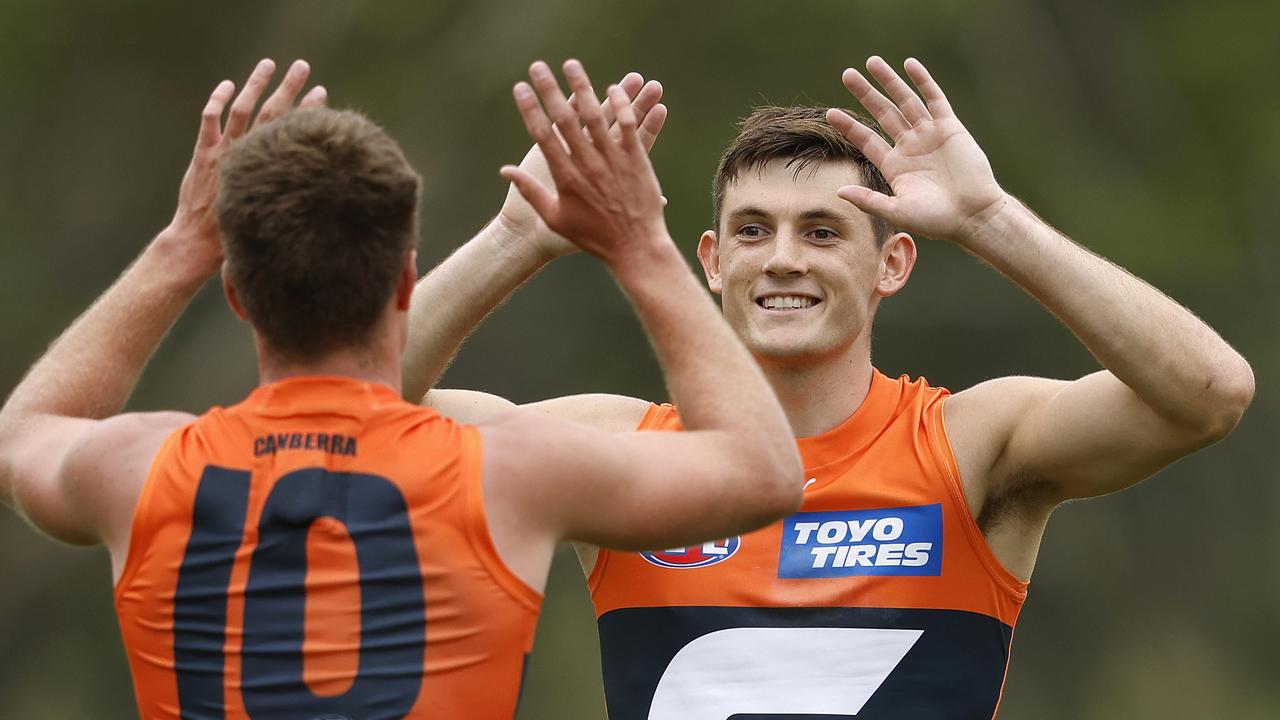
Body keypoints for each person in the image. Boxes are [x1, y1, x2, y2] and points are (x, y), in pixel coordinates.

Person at [403, 56, 1255, 718]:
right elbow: (359, 412)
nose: (782, 258)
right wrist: (515, 237)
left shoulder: (968, 443)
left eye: (822, 231)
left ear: (893, 261)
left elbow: (1209, 393)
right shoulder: (627, 457)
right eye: (752, 230)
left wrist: (991, 221)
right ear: (711, 262)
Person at [0, 58, 802, 719]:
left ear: (238, 294)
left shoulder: (137, 468)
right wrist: (638, 241)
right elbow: (766, 472)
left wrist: (181, 245)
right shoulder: (511, 470)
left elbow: (22, 432)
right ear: (407, 284)